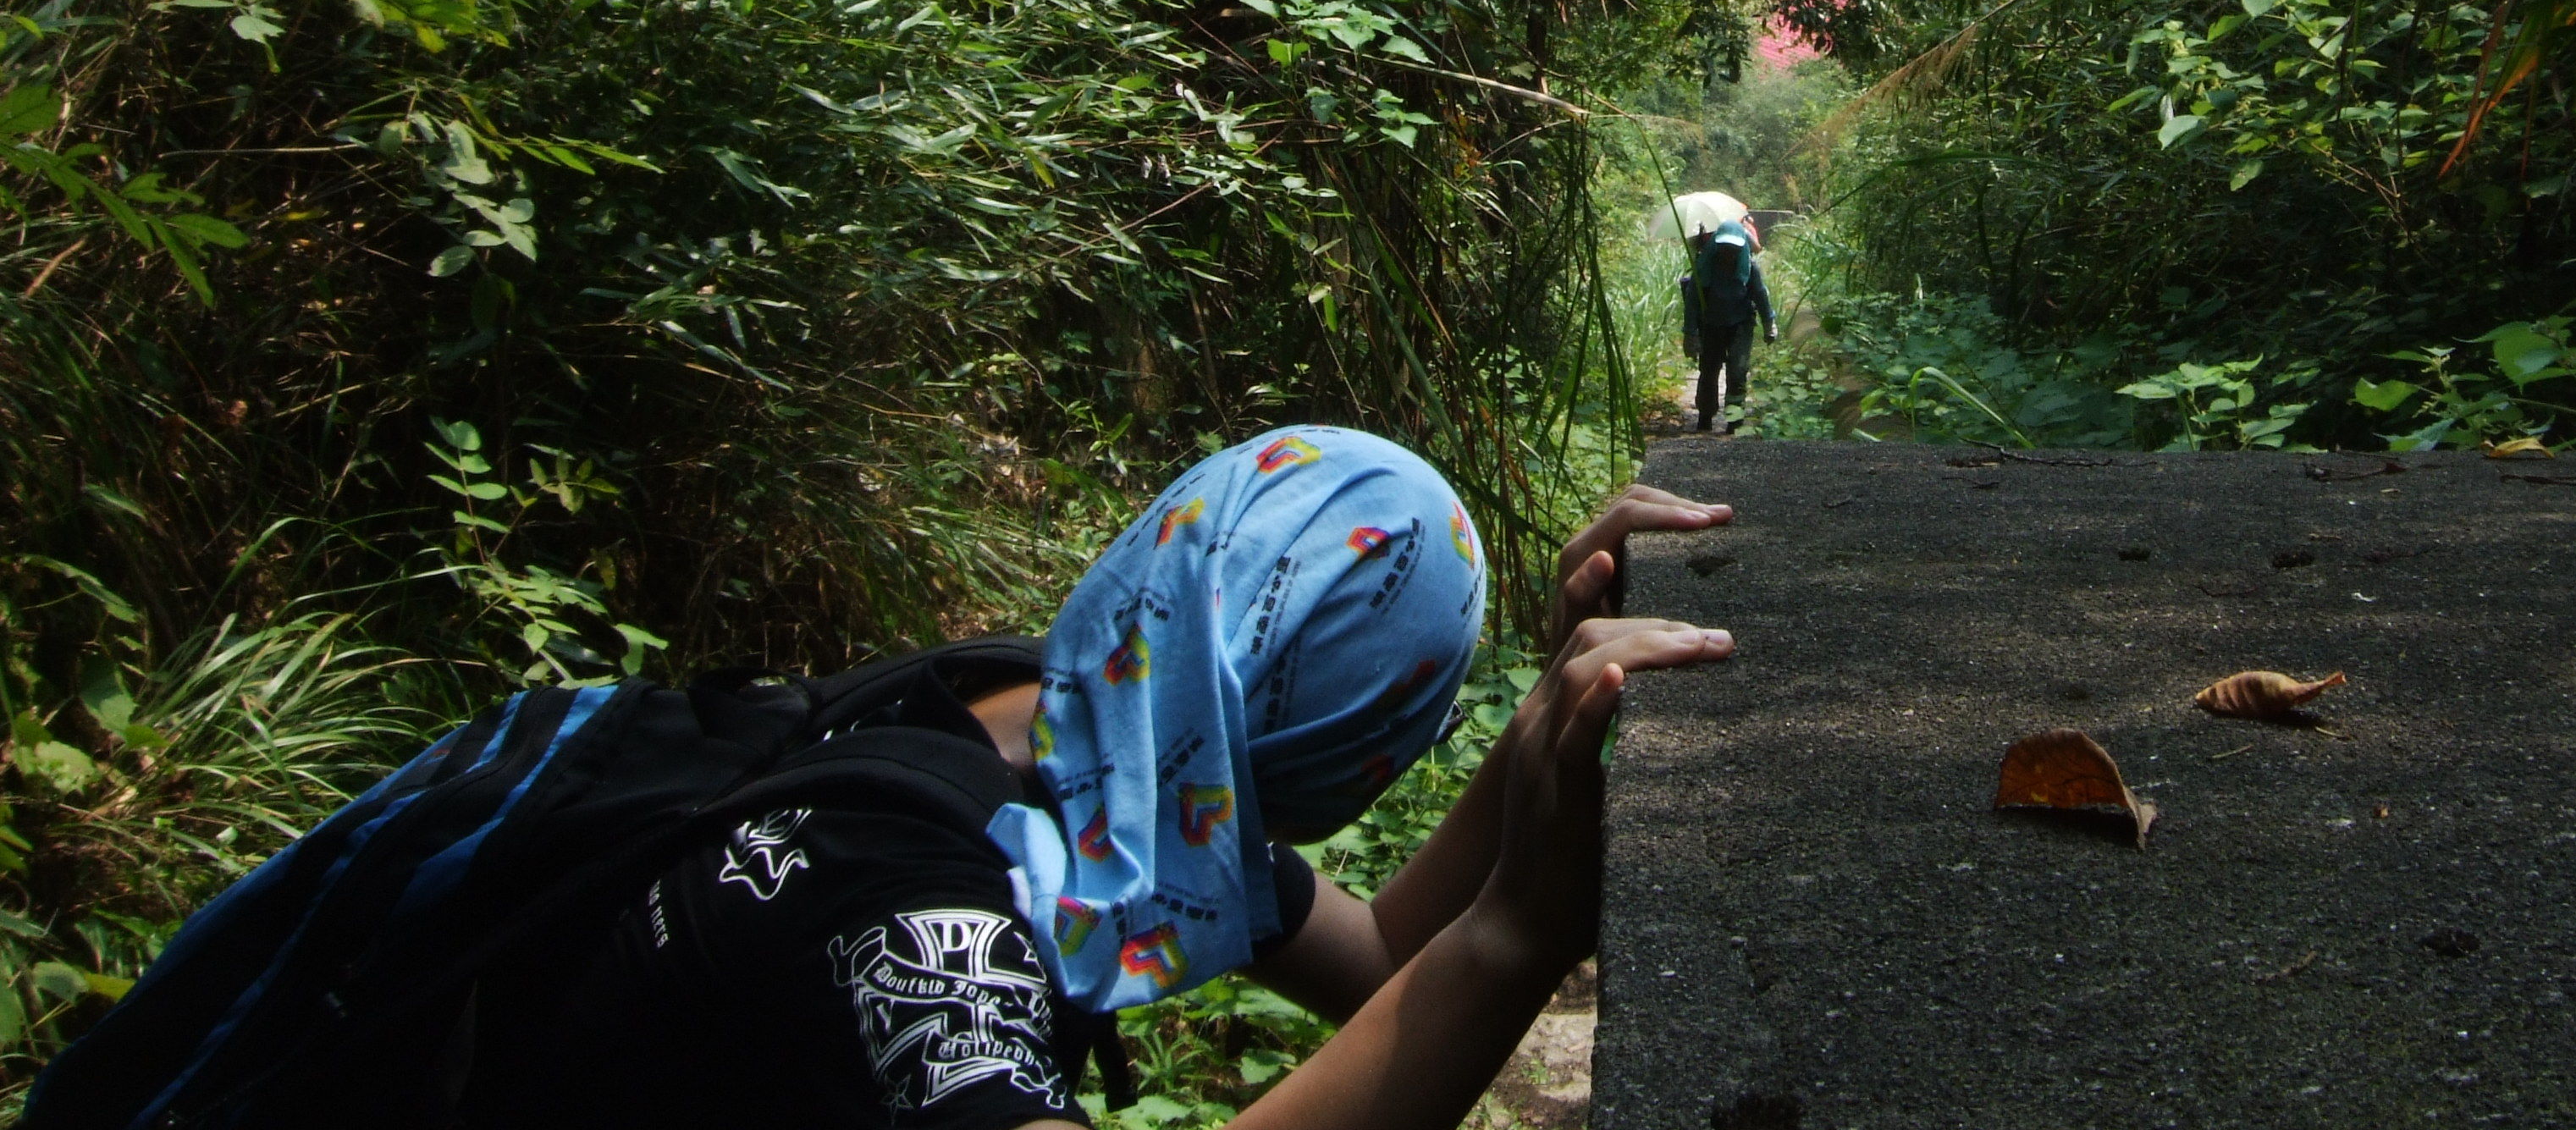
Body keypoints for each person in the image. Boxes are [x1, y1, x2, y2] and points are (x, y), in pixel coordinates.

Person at [463, 429, 1733, 1130]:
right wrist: (1518, 933)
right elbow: (1446, 953)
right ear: (1356, 754)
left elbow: (1386, 954)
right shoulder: (926, 915)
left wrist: (1554, 715)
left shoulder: (1071, 725)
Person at [1678, 215, 1776, 434]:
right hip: (1711, 325)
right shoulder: (1704, 268)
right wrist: (1691, 334)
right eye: (1724, 247)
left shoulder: (1749, 269)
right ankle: (1705, 416)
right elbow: (1692, 302)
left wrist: (1769, 322)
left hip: (1740, 325)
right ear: (1716, 246)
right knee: (1709, 370)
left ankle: (1734, 420)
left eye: (1734, 248)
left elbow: (1760, 295)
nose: (1729, 253)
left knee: (1738, 371)